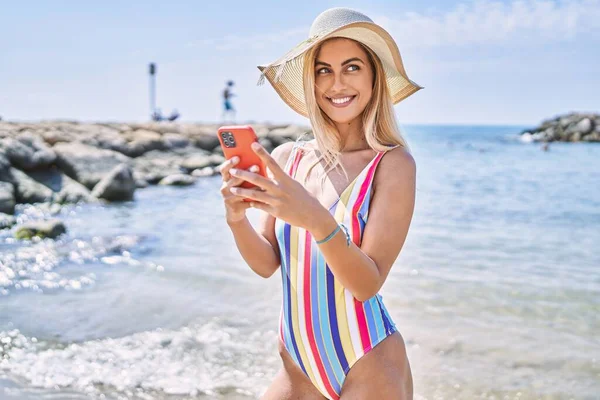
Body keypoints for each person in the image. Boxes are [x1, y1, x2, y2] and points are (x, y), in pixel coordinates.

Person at [219, 7, 422, 400]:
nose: (336, 83)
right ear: (311, 82)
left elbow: (366, 284)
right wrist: (235, 220)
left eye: (352, 67)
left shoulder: (392, 165)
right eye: (323, 70)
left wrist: (314, 218)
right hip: (298, 367)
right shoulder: (288, 159)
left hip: (367, 360)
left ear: (374, 77)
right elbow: (267, 264)